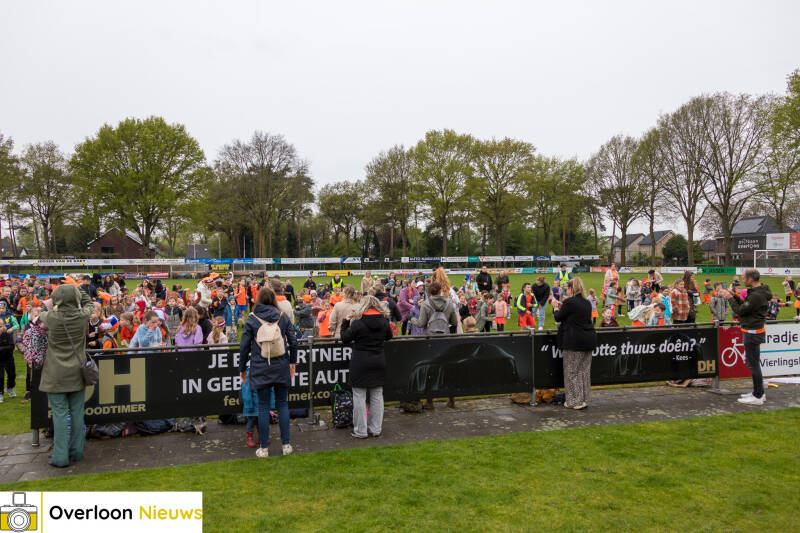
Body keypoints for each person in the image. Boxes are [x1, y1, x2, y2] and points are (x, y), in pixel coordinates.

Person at [38, 284, 94, 467]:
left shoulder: (51, 317)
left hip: (55, 373)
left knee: (59, 415)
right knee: (77, 413)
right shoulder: (82, 315)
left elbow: (40, 311)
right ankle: (76, 452)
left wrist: (51, 301)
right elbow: (89, 303)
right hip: (76, 372)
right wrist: (80, 288)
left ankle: (60, 456)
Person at [239, 287, 299, 457]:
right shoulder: (282, 316)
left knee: (263, 407)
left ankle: (264, 448)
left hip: (260, 366)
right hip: (280, 365)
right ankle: (286, 445)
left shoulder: (252, 319)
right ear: (273, 299)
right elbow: (294, 341)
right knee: (282, 405)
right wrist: (292, 362)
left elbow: (244, 347)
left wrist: (242, 369)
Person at [340, 295, 393, 439]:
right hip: (378, 361)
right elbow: (389, 336)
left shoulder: (358, 323)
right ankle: (376, 429)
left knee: (359, 396)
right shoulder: (383, 321)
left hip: (361, 362)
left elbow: (344, 338)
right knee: (377, 395)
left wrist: (345, 322)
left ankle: (360, 430)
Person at [719, 269, 771, 405]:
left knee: (753, 364)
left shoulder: (756, 296)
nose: (742, 280)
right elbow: (745, 306)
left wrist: (730, 298)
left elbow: (740, 311)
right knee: (754, 364)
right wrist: (733, 295)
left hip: (752, 332)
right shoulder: (757, 292)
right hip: (753, 331)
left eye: (744, 277)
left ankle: (758, 396)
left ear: (751, 279)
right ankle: (757, 392)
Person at [410, 282, 459, 408]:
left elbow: (420, 324)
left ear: (429, 292)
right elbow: (454, 322)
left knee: (430, 369)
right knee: (448, 369)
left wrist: (411, 318)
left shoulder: (426, 304)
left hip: (430, 340)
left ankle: (430, 401)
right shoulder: (449, 303)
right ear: (440, 291)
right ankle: (451, 399)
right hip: (445, 339)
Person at [552, 277, 596, 410]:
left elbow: (558, 317)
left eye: (567, 289)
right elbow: (574, 314)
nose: (566, 291)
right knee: (584, 371)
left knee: (572, 372)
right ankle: (583, 399)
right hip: (588, 339)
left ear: (571, 288)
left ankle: (574, 401)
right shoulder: (586, 302)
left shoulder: (570, 302)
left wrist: (555, 307)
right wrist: (562, 305)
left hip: (574, 341)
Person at [0, 300, 20, 401]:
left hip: (8, 355)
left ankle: (10, 388)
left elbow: (17, 325)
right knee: (0, 377)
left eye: (2, 308)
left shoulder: (10, 316)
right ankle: (1, 393)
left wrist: (11, 329)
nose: (1, 310)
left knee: (12, 374)